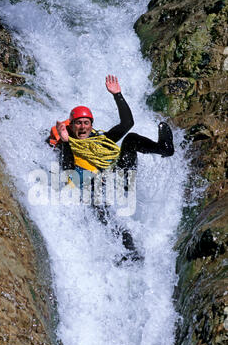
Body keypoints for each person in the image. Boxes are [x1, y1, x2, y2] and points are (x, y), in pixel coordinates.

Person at [48, 75, 174, 263]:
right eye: (78, 123)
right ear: (71, 125)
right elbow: (68, 171)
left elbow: (127, 123)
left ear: (91, 125)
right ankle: (130, 255)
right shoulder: (67, 145)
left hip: (119, 177)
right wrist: (65, 142)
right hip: (90, 189)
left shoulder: (101, 140)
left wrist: (118, 95)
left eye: (86, 123)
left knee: (130, 138)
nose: (82, 127)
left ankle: (163, 148)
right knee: (106, 215)